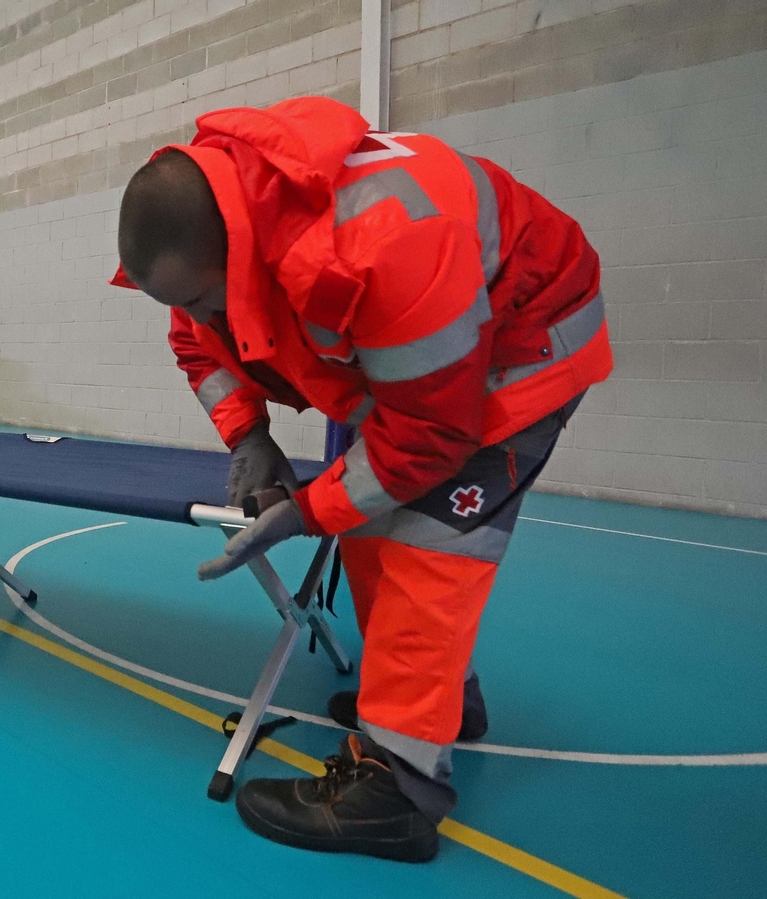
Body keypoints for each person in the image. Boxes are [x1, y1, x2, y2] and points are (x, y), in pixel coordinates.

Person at [113, 97, 612, 862]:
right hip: (428, 361)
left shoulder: (387, 243)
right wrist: (248, 434)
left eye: (202, 300)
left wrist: (309, 509)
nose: (195, 316)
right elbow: (197, 337)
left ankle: (395, 793)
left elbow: (433, 436)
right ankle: (439, 704)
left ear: (237, 254)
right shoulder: (219, 233)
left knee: (427, 540)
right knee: (368, 526)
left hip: (521, 347)